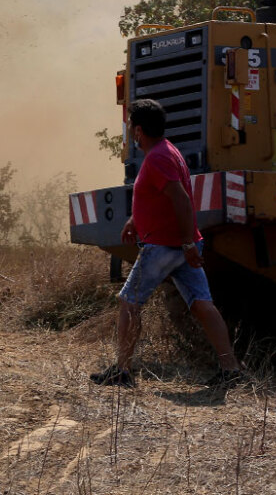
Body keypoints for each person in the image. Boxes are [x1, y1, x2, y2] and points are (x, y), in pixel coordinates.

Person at [90, 99, 243, 387]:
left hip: (163, 247)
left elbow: (182, 199)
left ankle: (122, 370)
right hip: (179, 246)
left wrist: (186, 244)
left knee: (128, 302)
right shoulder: (168, 151)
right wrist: (136, 220)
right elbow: (161, 196)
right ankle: (230, 369)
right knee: (201, 304)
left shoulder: (157, 157)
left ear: (137, 131)